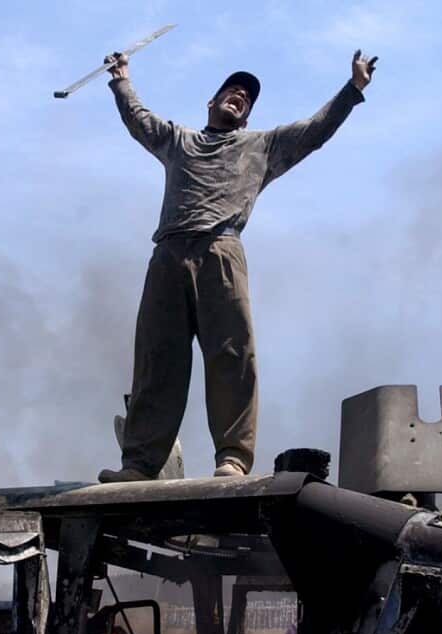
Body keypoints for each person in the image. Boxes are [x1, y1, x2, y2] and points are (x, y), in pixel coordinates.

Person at [98, 49, 378, 483]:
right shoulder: (179, 140)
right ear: (211, 103)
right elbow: (139, 119)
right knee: (157, 358)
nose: (240, 97)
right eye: (232, 91)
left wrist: (353, 88)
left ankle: (232, 457)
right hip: (169, 255)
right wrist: (121, 79)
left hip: (221, 251)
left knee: (232, 355)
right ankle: (139, 464)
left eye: (246, 98)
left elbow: (314, 131)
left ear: (246, 118)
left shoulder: (260, 146)